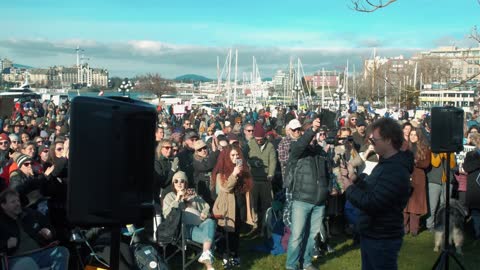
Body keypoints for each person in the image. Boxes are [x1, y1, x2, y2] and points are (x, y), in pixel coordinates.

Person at [340, 117, 414, 270]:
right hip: (373, 233)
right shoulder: (386, 164)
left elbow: (373, 202)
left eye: (374, 140)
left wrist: (349, 188)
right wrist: (355, 179)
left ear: (388, 140)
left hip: (382, 237)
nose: (371, 144)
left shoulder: (395, 169)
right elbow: (372, 189)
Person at [285, 117, 330, 270]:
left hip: (319, 201)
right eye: (309, 133)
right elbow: (301, 143)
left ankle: (306, 262)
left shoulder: (320, 151)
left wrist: (327, 190)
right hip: (302, 199)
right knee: (297, 236)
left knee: (312, 235)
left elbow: (327, 173)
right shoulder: (296, 150)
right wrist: (312, 130)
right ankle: (291, 265)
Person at [0, 188, 69, 270]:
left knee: (62, 251)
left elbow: (50, 228)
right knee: (28, 262)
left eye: (18, 201)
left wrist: (49, 233)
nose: (17, 204)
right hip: (16, 259)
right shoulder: (1, 222)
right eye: (13, 202)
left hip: (39, 253)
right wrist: (6, 245)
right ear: (3, 205)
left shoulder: (31, 214)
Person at [212, 145, 255, 267]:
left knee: (236, 231)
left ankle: (235, 254)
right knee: (226, 231)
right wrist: (234, 174)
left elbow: (247, 186)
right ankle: (226, 255)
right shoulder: (222, 172)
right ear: (227, 156)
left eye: (237, 155)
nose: (235, 157)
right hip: (227, 205)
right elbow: (225, 188)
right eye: (232, 155)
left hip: (239, 202)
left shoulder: (242, 168)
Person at [162, 171, 216, 270]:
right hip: (184, 229)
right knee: (208, 236)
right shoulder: (169, 197)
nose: (179, 183)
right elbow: (167, 215)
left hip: (201, 224)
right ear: (173, 183)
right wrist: (178, 199)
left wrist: (205, 213)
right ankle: (209, 265)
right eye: (176, 181)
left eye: (182, 181)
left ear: (186, 183)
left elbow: (206, 207)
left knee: (210, 222)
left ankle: (206, 255)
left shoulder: (193, 195)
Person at [404, 128, 431, 237]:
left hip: (418, 178)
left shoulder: (425, 149)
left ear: (419, 136)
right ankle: (404, 228)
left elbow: (426, 163)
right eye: (411, 134)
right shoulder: (405, 148)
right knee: (405, 205)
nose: (413, 136)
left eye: (415, 135)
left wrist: (415, 161)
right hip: (405, 176)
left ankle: (414, 229)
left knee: (415, 205)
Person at [463, 133, 480, 241]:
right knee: (476, 213)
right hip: (475, 189)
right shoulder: (471, 154)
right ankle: (478, 234)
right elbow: (466, 167)